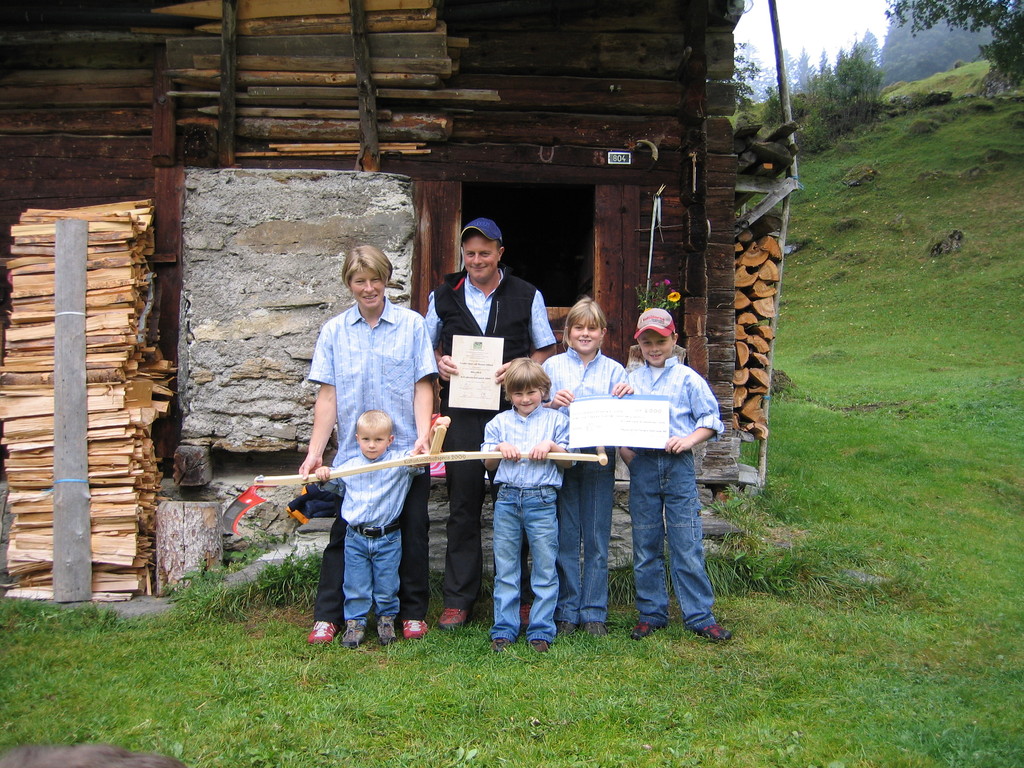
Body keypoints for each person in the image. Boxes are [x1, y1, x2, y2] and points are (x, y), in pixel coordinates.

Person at [300, 245, 437, 645]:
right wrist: (315, 452)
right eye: (360, 281)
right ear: (349, 284)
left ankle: (411, 613)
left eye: (375, 279)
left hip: (405, 453)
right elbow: (328, 396)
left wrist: (424, 436)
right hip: (355, 456)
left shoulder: (412, 326)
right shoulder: (334, 331)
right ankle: (330, 616)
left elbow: (422, 385)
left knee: (413, 530)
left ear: (386, 280)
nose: (369, 287)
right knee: (344, 535)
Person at [424, 217, 557, 629]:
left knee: (514, 502)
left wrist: (521, 367)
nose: (476, 260)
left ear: (501, 253)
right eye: (470, 254)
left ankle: (516, 596)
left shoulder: (526, 293)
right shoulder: (443, 295)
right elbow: (423, 350)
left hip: (514, 413)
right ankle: (459, 599)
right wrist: (439, 364)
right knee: (463, 504)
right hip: (463, 415)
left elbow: (546, 348)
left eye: (485, 252)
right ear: (462, 256)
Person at [613, 308, 733, 643]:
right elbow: (619, 419)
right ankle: (651, 612)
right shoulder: (631, 380)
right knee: (645, 541)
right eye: (647, 342)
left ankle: (699, 615)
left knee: (686, 541)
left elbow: (712, 420)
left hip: (677, 464)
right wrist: (627, 452)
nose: (654, 347)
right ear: (639, 344)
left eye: (661, 341)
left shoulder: (689, 379)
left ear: (674, 340)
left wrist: (688, 441)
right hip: (644, 466)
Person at [315, 411, 449, 648]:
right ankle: (355, 624)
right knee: (355, 583)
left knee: (388, 583)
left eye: (378, 440)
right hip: (356, 537)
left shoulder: (399, 463)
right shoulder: (349, 467)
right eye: (366, 439)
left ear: (390, 440)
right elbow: (332, 486)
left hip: (388, 537)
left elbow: (423, 456)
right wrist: (323, 475)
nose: (372, 445)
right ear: (357, 439)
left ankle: (386, 620)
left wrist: (435, 430)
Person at [543, 297, 626, 637]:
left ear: (603, 333)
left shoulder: (616, 371)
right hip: (562, 458)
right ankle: (565, 611)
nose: (585, 333)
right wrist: (552, 402)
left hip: (599, 458)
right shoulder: (551, 367)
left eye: (592, 328)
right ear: (567, 332)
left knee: (595, 537)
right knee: (565, 537)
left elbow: (624, 415)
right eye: (579, 327)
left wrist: (625, 398)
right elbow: (535, 410)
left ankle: (593, 612)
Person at [482, 358, 572, 652]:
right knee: (506, 567)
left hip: (542, 500)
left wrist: (552, 447)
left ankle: (541, 630)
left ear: (544, 390)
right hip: (507, 499)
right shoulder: (498, 423)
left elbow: (569, 460)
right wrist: (498, 449)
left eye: (531, 392)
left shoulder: (557, 421)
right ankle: (504, 628)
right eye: (518, 394)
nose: (525, 399)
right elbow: (487, 462)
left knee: (545, 567)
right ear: (509, 394)